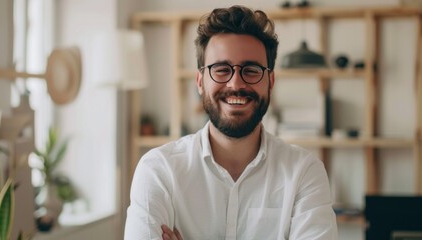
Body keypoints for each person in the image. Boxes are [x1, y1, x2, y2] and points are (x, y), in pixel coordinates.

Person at [124, 5, 338, 240]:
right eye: (222, 69)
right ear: (200, 81)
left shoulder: (304, 172)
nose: (236, 84)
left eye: (252, 70)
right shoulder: (158, 170)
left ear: (270, 81)